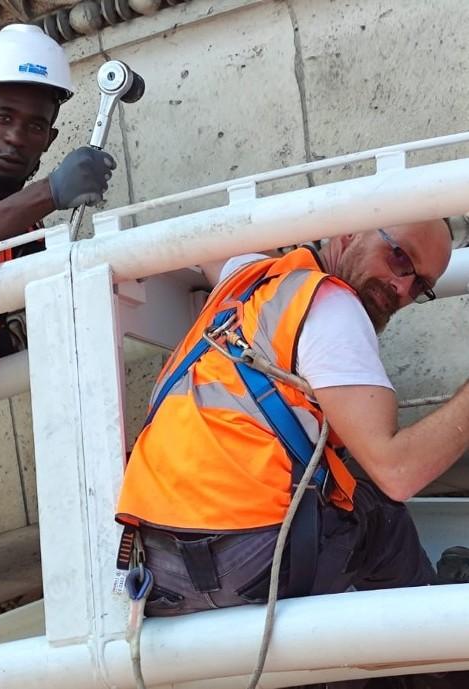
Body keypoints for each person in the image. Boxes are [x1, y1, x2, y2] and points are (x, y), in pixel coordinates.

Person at [116, 219, 469, 688]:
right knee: (378, 515)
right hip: (246, 561)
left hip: (157, 572)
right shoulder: (333, 306)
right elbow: (397, 471)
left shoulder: (247, 282)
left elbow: (213, 247)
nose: (402, 287)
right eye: (399, 257)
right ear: (348, 233)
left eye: (421, 285)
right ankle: (439, 665)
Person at [0, 23, 117, 633]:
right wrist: (50, 193)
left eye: (36, 125)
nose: (17, 136)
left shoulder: (6, 212)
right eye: (4, 116)